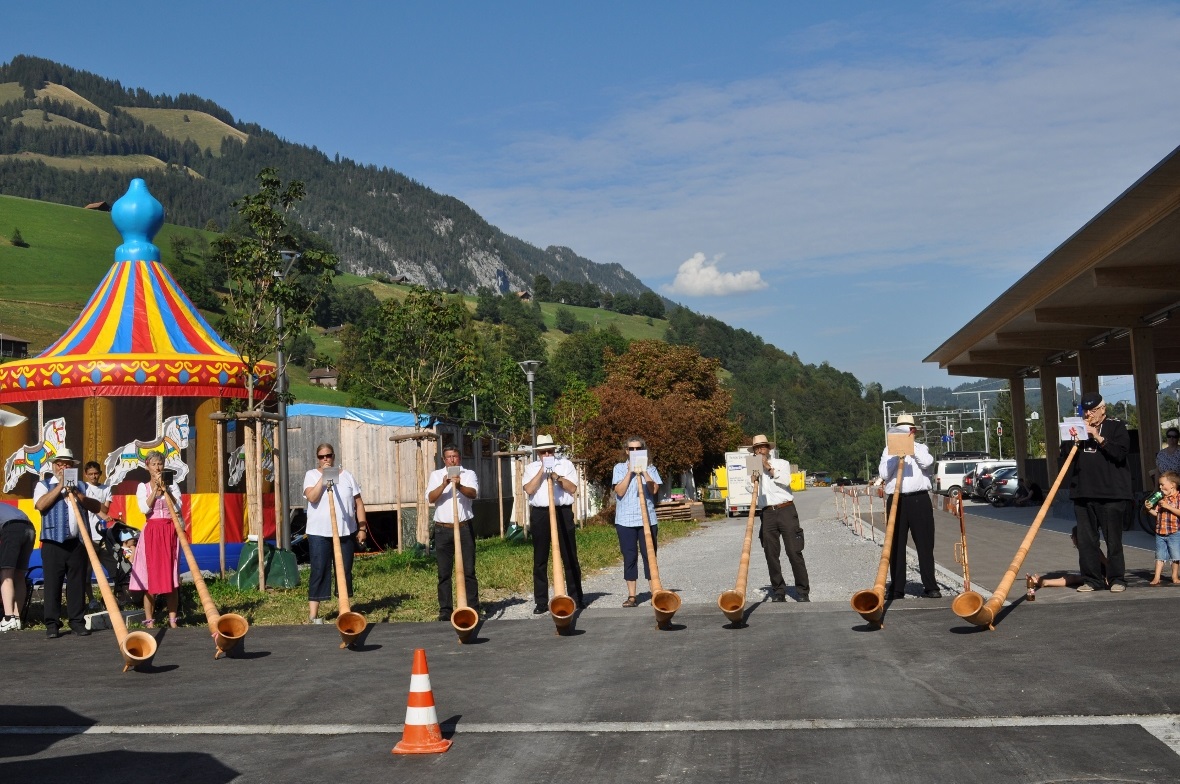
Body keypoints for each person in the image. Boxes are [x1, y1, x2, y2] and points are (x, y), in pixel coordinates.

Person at [1062, 392, 1132, 593]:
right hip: (1083, 493)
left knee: (1113, 540)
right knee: (1086, 541)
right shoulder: (1077, 427)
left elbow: (1120, 454)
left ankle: (1117, 579)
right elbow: (1065, 455)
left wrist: (1098, 436)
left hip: (1112, 494)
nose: (1089, 415)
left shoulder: (1116, 426)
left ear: (1103, 409)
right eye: (1086, 411)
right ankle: (1092, 580)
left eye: (1093, 411)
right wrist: (1073, 438)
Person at [302, 443, 368, 624]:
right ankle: (314, 615)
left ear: (334, 456)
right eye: (322, 456)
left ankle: (343, 610)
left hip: (345, 531)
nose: (325, 459)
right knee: (319, 569)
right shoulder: (311, 475)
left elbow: (359, 503)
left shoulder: (347, 476)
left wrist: (362, 527)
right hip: (319, 533)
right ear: (318, 458)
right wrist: (323, 477)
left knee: (344, 570)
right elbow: (312, 497)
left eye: (328, 456)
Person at [877, 414, 941, 599]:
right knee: (895, 544)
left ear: (913, 432)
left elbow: (928, 463)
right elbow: (883, 473)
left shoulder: (921, 448)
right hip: (897, 501)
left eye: (908, 431)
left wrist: (910, 448)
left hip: (919, 500)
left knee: (925, 544)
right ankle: (897, 587)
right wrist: (896, 455)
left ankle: (930, 585)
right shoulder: (888, 451)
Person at [33, 449, 93, 637]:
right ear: (53, 466)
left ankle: (77, 622)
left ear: (73, 466)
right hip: (53, 542)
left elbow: (95, 506)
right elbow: (41, 505)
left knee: (77, 583)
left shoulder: (82, 486)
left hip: (77, 542)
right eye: (60, 463)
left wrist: (77, 493)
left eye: (67, 464)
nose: (64, 467)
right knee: (53, 584)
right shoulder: (44, 485)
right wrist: (60, 486)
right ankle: (52, 624)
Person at [522, 435, 585, 613]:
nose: (547, 454)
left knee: (569, 556)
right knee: (540, 559)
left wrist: (556, 476)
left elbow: (572, 488)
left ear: (554, 451)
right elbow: (529, 489)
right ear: (539, 453)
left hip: (562, 512)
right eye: (543, 452)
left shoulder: (565, 465)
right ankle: (541, 602)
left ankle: (575, 598)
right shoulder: (531, 467)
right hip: (541, 513)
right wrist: (542, 471)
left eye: (550, 451)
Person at [748, 434, 809, 602]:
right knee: (771, 553)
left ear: (769, 449)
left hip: (785, 509)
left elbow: (785, 480)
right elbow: (749, 489)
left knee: (794, 551)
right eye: (756, 448)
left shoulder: (782, 463)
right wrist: (753, 477)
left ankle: (803, 591)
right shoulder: (753, 465)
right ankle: (778, 591)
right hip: (767, 513)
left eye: (762, 447)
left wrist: (766, 466)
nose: (760, 450)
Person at [128, 452, 181, 628]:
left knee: (170, 576)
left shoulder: (172, 485)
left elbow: (179, 506)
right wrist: (156, 491)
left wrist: (166, 491)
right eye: (154, 464)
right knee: (150, 577)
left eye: (160, 464)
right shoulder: (143, 487)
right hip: (152, 532)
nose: (158, 467)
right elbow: (144, 508)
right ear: (147, 467)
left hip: (169, 530)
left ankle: (173, 619)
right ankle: (150, 620)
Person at [426, 444, 479, 621]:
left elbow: (473, 494)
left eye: (455, 456)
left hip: (464, 527)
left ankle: (472, 608)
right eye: (448, 457)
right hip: (443, 529)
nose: (452, 460)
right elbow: (431, 498)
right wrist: (444, 485)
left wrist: (460, 485)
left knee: (469, 570)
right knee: (444, 572)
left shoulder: (468, 474)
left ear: (460, 458)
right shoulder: (435, 475)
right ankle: (446, 610)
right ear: (444, 459)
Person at [612, 436, 662, 608]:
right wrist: (630, 472)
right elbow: (619, 491)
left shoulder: (652, 468)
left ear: (643, 450)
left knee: (650, 556)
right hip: (625, 520)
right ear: (626, 451)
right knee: (630, 556)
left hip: (647, 519)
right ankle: (632, 596)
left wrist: (644, 471)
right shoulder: (619, 468)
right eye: (631, 449)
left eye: (638, 449)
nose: (634, 452)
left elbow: (654, 489)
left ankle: (655, 592)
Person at [82, 461, 114, 609]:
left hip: (102, 535)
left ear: (100, 474)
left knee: (112, 568)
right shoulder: (82, 488)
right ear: (86, 475)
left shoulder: (106, 488)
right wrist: (95, 504)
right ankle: (91, 599)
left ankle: (109, 599)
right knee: (87, 571)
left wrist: (91, 502)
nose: (93, 476)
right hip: (88, 535)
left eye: (96, 473)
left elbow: (105, 510)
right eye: (90, 474)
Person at [1032, 526, 1106, 589]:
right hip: (1094, 575)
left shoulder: (1092, 549)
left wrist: (1108, 577)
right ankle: (1043, 581)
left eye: (1072, 537)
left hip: (1100, 576)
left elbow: (1106, 562)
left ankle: (1044, 582)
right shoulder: (1082, 549)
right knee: (1067, 577)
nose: (1072, 539)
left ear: (1076, 537)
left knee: (1072, 578)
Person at [1, 504, 36, 632]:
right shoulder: (6, 507)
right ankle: (16, 618)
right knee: (19, 575)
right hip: (30, 529)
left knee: (6, 573)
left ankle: (8, 618)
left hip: (13, 529)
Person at [1146, 470, 1180, 586]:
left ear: (1172, 485)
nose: (1160, 487)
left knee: (1175, 556)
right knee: (1159, 555)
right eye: (1159, 485)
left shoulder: (1178, 497)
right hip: (1160, 532)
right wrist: (1149, 509)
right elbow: (1157, 514)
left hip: (1174, 532)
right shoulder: (1162, 498)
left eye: (1162, 484)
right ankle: (1156, 577)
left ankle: (1175, 576)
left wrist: (1168, 507)